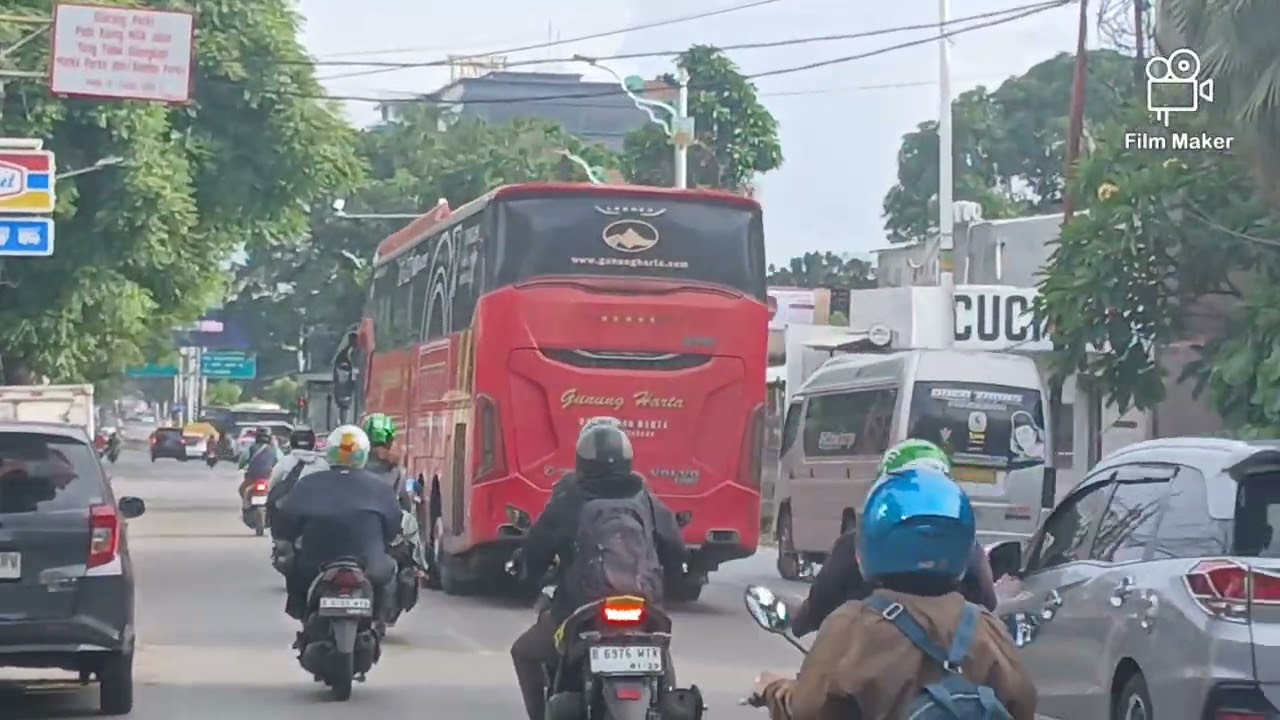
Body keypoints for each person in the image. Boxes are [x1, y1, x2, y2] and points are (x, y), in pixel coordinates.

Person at [755, 467, 1037, 720]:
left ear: (872, 541)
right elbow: (1023, 703)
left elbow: (808, 711)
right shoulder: (987, 628)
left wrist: (773, 689)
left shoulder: (853, 626)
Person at [510, 422, 686, 720]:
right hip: (644, 609)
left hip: (583, 608)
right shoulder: (647, 500)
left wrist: (524, 570)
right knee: (661, 652)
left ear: (583, 460)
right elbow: (676, 552)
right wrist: (679, 581)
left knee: (524, 652)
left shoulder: (570, 499)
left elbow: (537, 549)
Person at [789, 439, 997, 637]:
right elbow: (989, 603)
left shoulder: (853, 547)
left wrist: (798, 623)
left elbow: (817, 607)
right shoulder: (968, 550)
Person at [272, 425, 402, 623]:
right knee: (392, 566)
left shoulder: (307, 484)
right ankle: (380, 619)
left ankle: (301, 611)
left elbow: (285, 524)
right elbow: (393, 528)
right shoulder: (381, 488)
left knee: (291, 563)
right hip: (370, 566)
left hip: (313, 567)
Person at [237, 427, 283, 506]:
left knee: (242, 490)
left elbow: (242, 460)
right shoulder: (276, 450)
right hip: (269, 478)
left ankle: (246, 506)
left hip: (252, 478)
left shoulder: (251, 449)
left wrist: (240, 467)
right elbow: (282, 462)